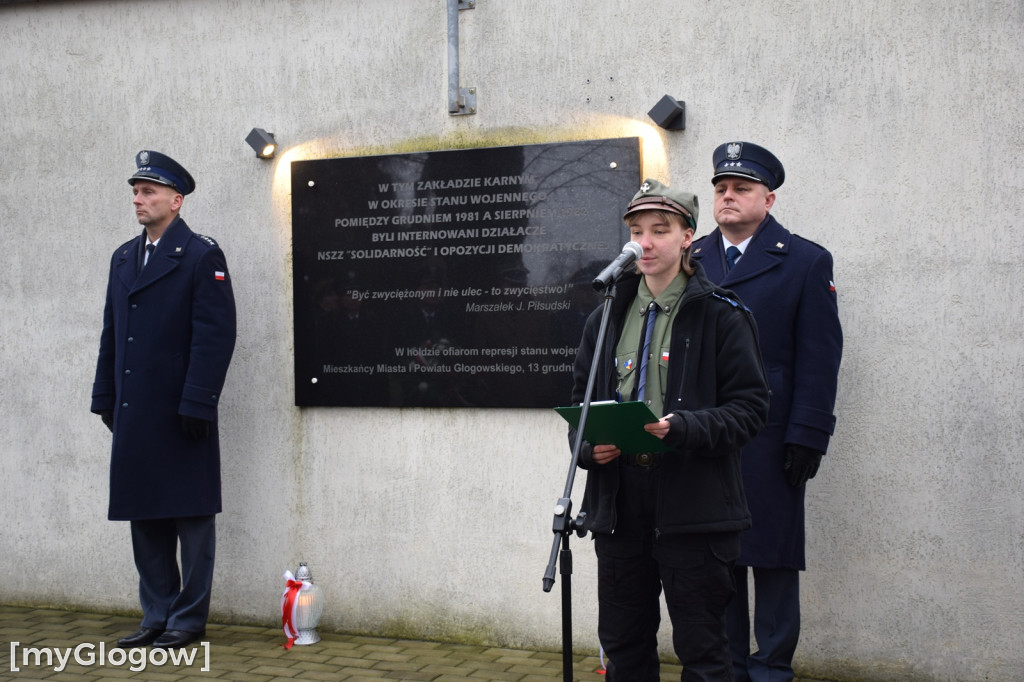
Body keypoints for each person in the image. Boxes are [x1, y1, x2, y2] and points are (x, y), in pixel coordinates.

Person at [570, 179, 770, 680]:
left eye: (661, 229)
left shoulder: (722, 316)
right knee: (624, 645)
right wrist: (590, 449)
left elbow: (750, 409)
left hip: (694, 506)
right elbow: (581, 406)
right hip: (620, 505)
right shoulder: (604, 319)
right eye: (637, 231)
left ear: (688, 238)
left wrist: (682, 428)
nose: (646, 242)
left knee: (704, 651)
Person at [691, 142, 843, 682]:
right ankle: (727, 667)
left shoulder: (803, 260)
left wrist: (808, 433)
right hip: (705, 435)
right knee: (719, 560)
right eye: (721, 189)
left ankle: (772, 668)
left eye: (741, 189)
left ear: (768, 198)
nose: (727, 197)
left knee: (773, 559)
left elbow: (819, 356)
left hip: (772, 436)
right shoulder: (692, 260)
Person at [91, 150, 237, 649]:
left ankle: (188, 620)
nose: (138, 199)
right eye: (135, 191)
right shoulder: (124, 257)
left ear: (175, 201)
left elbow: (214, 337)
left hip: (181, 412)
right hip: (136, 410)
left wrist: (198, 401)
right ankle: (156, 613)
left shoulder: (200, 255)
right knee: (146, 516)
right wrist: (105, 396)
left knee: (191, 519)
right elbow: (113, 333)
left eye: (148, 191)